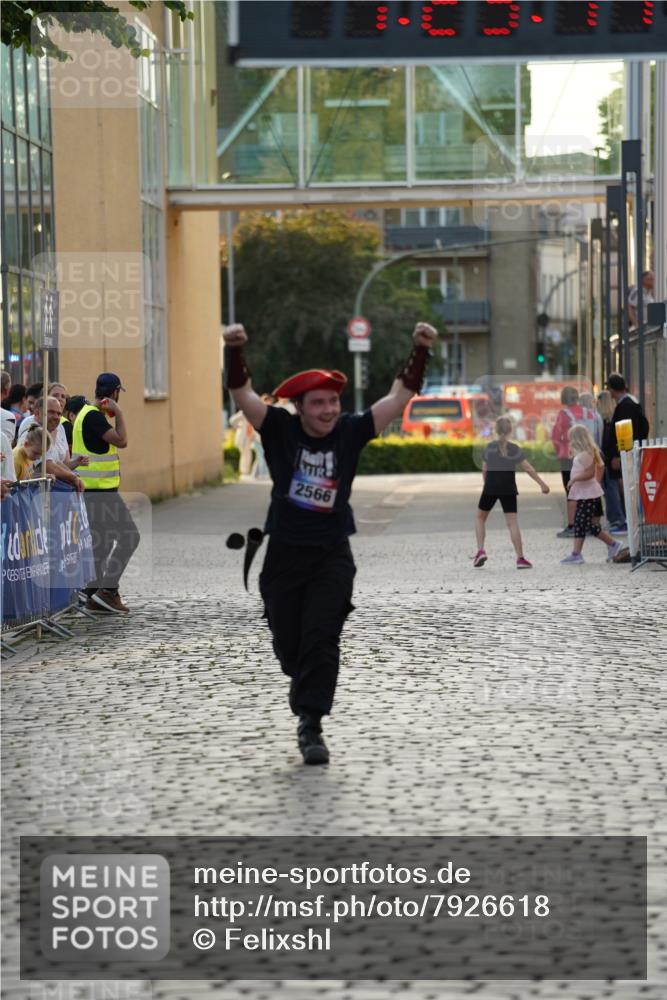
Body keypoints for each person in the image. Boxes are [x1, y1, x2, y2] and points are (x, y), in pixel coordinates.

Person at [223, 320, 438, 766]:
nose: (328, 410)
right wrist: (234, 350)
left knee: (322, 638)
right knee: (290, 649)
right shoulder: (280, 428)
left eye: (333, 401)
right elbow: (243, 395)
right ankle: (302, 684)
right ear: (299, 407)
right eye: (318, 403)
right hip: (283, 555)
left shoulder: (351, 431)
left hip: (331, 555)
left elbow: (399, 397)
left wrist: (419, 349)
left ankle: (311, 724)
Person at [72, 372, 139, 614]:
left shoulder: (86, 415)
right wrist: (118, 412)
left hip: (95, 494)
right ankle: (108, 591)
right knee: (130, 537)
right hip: (100, 495)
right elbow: (122, 441)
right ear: (113, 394)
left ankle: (93, 595)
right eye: (118, 394)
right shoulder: (94, 417)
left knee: (102, 544)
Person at [473, 416, 550, 570]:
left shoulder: (489, 447)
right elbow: (528, 468)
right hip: (509, 488)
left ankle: (481, 550)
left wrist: (487, 485)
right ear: (510, 430)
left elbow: (484, 469)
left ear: (496, 430)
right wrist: (542, 484)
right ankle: (520, 558)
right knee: (512, 523)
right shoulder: (514, 448)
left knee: (480, 518)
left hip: (491, 487)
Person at [560, 425, 623, 565]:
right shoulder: (584, 453)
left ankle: (611, 545)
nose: (569, 440)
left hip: (588, 494)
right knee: (583, 524)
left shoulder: (587, 454)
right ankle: (578, 553)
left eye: (571, 438)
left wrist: (574, 479)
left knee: (585, 524)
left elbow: (589, 473)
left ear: (577, 439)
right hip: (584, 493)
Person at [551, 386, 597, 538]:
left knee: (571, 490)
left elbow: (556, 437)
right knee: (588, 489)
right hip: (588, 456)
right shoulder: (588, 413)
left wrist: (560, 451)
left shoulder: (563, 415)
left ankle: (572, 525)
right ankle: (590, 524)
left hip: (568, 457)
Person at [19, 396, 85, 490]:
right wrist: (72, 477)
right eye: (51, 412)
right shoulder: (33, 429)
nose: (56, 417)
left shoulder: (58, 428)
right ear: (37, 413)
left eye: (59, 414)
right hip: (32, 492)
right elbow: (47, 465)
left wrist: (74, 475)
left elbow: (57, 461)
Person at [597, 390, 626, 533]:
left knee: (610, 489)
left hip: (608, 459)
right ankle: (619, 518)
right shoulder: (614, 419)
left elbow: (605, 442)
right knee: (615, 489)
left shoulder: (604, 421)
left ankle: (617, 520)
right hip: (614, 458)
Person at [49, 382, 73, 450]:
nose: (60, 399)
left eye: (63, 397)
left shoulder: (64, 426)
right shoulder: (33, 422)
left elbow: (66, 459)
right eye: (55, 395)